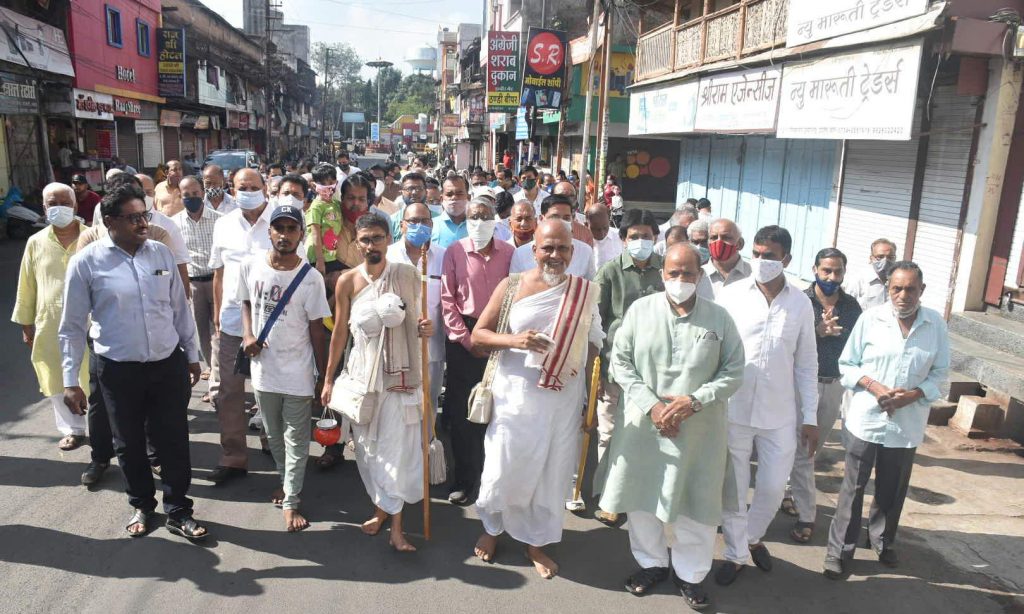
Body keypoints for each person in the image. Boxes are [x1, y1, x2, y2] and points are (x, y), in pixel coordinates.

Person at [600, 242, 745, 609]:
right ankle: (651, 563)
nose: (681, 279)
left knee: (696, 504)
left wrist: (694, 401)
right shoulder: (640, 311)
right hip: (644, 428)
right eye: (674, 273)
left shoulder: (719, 318)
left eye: (689, 273)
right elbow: (621, 362)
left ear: (700, 275)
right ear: (662, 273)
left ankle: (691, 574)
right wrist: (652, 407)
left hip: (699, 431)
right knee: (641, 499)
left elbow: (734, 371)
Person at [59, 183, 207, 540]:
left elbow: (179, 309)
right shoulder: (86, 263)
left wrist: (192, 355)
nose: (143, 223)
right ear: (110, 222)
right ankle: (142, 504)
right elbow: (73, 326)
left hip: (166, 365)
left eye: (146, 215)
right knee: (128, 442)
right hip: (117, 369)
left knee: (172, 439)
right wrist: (69, 379)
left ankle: (178, 510)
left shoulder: (161, 254)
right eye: (133, 218)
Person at [471, 219, 603, 578]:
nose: (555, 255)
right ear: (534, 250)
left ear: (573, 252)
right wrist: (515, 341)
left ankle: (536, 542)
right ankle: (493, 528)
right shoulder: (512, 285)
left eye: (562, 248)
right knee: (503, 463)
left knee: (552, 470)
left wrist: (594, 388)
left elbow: (593, 341)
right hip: (515, 397)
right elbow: (478, 336)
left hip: (562, 398)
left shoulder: (584, 291)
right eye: (548, 248)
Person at [824, 261, 949, 578]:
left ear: (922, 290)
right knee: (853, 489)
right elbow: (847, 365)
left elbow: (941, 374)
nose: (903, 295)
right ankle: (839, 551)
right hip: (866, 419)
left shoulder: (935, 324)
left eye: (910, 288)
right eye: (896, 288)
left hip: (906, 424)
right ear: (888, 289)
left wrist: (916, 394)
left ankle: (882, 541)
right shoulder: (871, 318)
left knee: (892, 490)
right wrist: (874, 386)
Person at [320, 215, 432, 552]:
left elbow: (417, 322)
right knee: (368, 452)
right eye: (366, 239)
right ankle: (381, 509)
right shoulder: (346, 282)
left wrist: (425, 329)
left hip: (400, 378)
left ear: (389, 239)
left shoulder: (407, 275)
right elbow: (339, 332)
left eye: (378, 239)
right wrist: (328, 377)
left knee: (394, 452)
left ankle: (396, 528)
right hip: (362, 377)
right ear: (356, 242)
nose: (372, 246)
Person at [715, 225, 818, 586]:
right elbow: (715, 350)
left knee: (773, 487)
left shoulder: (801, 303)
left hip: (779, 414)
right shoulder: (730, 296)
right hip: (734, 409)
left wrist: (811, 417)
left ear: (786, 259)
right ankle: (735, 555)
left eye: (769, 256)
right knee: (734, 489)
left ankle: (749, 539)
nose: (760, 261)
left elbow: (807, 364)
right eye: (756, 254)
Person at [239, 204, 331, 532]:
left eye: (292, 229)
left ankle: (292, 499)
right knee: (273, 435)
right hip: (264, 370)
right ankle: (286, 480)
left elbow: (317, 330)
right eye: (279, 228)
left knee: (296, 438)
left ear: (301, 235)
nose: (285, 234)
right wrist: (248, 333)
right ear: (270, 232)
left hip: (298, 371)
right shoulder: (251, 265)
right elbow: (246, 301)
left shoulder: (311, 278)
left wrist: (324, 377)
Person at [439, 197, 515, 505]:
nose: (478, 222)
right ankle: (465, 479)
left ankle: (492, 480)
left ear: (495, 220)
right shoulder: (454, 252)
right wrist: (469, 340)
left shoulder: (510, 254)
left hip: (499, 337)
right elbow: (447, 300)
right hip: (464, 340)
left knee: (498, 412)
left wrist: (496, 339)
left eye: (485, 217)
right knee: (462, 414)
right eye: (473, 217)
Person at [783, 248, 862, 543]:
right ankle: (808, 515)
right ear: (814, 269)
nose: (831, 277)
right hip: (801, 384)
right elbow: (787, 343)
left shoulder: (852, 308)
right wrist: (817, 331)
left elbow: (860, 346)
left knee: (807, 450)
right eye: (826, 270)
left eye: (837, 272)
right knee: (801, 450)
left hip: (834, 385)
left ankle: (790, 493)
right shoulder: (800, 302)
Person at [591, 208, 663, 527]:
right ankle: (610, 496)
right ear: (623, 239)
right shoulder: (609, 272)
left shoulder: (666, 272)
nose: (640, 242)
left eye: (646, 236)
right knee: (609, 433)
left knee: (645, 434)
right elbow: (596, 320)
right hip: (615, 370)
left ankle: (642, 491)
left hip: (656, 372)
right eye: (634, 236)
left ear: (656, 239)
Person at [208, 168, 274, 485]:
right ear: (232, 190)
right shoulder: (223, 225)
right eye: (241, 187)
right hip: (233, 322)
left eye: (253, 186)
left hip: (274, 325)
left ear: (266, 188)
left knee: (272, 392)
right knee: (229, 393)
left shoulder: (282, 222)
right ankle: (233, 456)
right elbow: (219, 275)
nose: (247, 191)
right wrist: (218, 316)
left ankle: (273, 443)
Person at [12, 183, 90, 451]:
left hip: (91, 324)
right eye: (52, 203)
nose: (59, 208)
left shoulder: (92, 238)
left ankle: (106, 428)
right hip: (50, 324)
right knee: (55, 376)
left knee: (93, 375)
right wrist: (26, 325)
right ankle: (72, 428)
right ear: (44, 208)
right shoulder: (36, 242)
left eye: (65, 203)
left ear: (75, 205)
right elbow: (27, 285)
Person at [387, 203, 446, 413]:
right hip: (396, 348)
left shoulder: (444, 257)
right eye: (413, 221)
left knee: (428, 402)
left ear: (432, 225)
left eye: (424, 221)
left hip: (432, 348)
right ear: (402, 225)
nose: (419, 226)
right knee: (397, 405)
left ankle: (427, 443)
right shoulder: (388, 257)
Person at [172, 176, 222, 394]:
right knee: (200, 330)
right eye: (186, 195)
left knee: (218, 330)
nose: (191, 198)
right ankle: (211, 368)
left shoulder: (220, 220)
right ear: (180, 196)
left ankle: (217, 379)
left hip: (216, 280)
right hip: (192, 283)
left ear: (203, 193)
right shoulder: (174, 224)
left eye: (195, 193)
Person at [510, 195, 596, 280]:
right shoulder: (520, 254)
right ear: (541, 219)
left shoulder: (585, 252)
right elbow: (512, 291)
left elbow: (591, 289)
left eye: (566, 218)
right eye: (555, 217)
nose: (561, 223)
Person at [306, 163, 346, 290]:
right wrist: (320, 260)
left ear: (336, 182)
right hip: (318, 257)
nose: (327, 186)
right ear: (315, 185)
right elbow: (315, 234)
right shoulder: (316, 207)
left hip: (333, 255)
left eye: (330, 182)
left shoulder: (336, 204)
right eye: (322, 183)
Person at [844, 238, 898, 310]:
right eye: (880, 257)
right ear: (871, 258)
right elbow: (847, 307)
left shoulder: (897, 281)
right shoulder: (859, 280)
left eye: (890, 257)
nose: (885, 261)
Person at [704, 218, 750, 297]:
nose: (718, 242)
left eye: (726, 237)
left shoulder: (752, 274)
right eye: (714, 237)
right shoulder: (697, 275)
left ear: (739, 244)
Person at [550, 181, 595, 245]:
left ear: (576, 199)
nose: (567, 199)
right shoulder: (542, 224)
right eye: (561, 196)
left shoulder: (586, 222)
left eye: (571, 196)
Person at [433, 175, 471, 248]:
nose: (454, 197)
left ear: (468, 197)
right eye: (449, 194)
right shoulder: (431, 225)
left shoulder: (477, 225)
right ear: (441, 199)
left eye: (459, 194)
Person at [587, 204, 622, 269]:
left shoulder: (620, 237)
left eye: (605, 228)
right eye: (597, 229)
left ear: (609, 221)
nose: (602, 233)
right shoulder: (580, 239)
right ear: (586, 224)